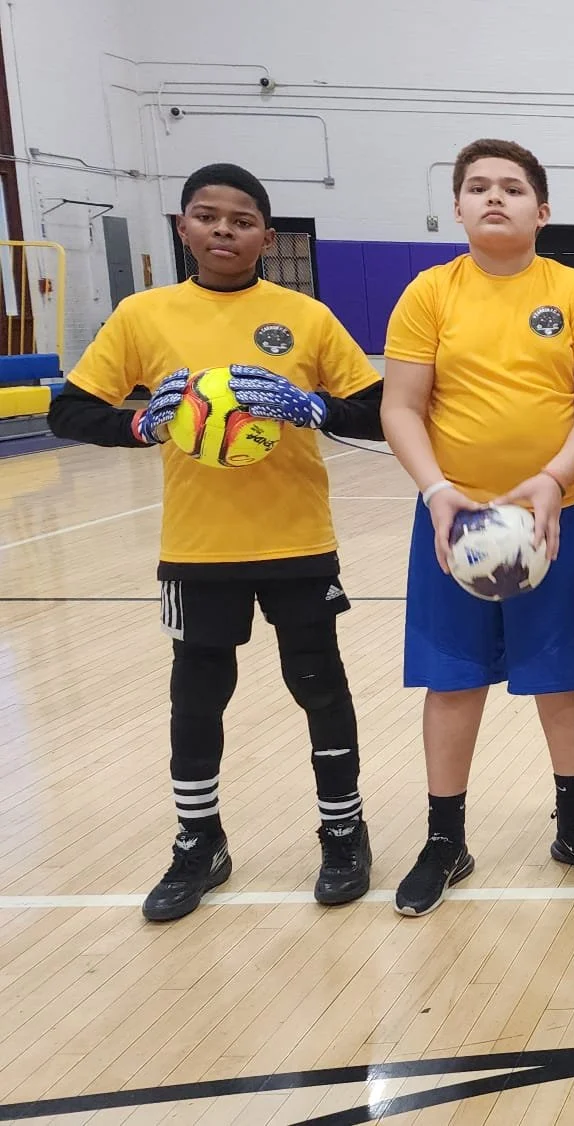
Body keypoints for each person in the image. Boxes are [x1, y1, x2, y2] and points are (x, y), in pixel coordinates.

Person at [49, 163, 384, 921]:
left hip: (297, 540)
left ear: (268, 235)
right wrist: (140, 422)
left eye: (241, 219)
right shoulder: (144, 314)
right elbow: (69, 412)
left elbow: (376, 411)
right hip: (198, 548)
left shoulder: (305, 317)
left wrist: (315, 407)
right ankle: (199, 842)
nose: (224, 230)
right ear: (182, 228)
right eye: (208, 216)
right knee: (197, 695)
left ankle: (343, 829)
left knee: (319, 687)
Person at [380, 139, 574, 916]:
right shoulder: (428, 294)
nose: (495, 197)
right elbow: (400, 407)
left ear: (542, 212)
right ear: (455, 206)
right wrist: (437, 491)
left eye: (513, 188)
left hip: (559, 516)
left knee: (562, 675)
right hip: (457, 521)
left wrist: (553, 480)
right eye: (477, 187)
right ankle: (445, 839)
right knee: (452, 678)